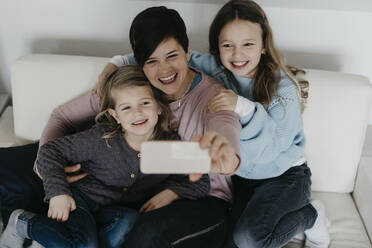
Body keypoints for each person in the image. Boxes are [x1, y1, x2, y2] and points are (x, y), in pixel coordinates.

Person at [1, 5, 241, 248]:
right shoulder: (130, 88)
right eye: (152, 61)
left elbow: (225, 127)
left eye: (172, 56)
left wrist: (227, 154)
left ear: (188, 51)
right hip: (101, 173)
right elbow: (62, 118)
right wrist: (46, 171)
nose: (165, 70)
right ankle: (35, 228)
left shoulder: (207, 101)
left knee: (136, 227)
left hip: (198, 195)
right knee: (14, 168)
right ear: (140, 63)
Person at [98, 1, 330, 248]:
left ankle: (311, 216)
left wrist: (242, 107)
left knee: (248, 240)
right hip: (243, 178)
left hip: (284, 175)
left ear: (264, 45)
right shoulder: (216, 68)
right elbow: (160, 53)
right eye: (227, 45)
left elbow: (270, 151)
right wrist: (117, 62)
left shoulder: (283, 89)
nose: (238, 55)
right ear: (217, 48)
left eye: (248, 44)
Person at [0, 65, 211, 248]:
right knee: (85, 245)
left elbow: (201, 178)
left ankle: (52, 241)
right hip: (80, 201)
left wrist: (172, 192)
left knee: (129, 222)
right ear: (115, 116)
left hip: (115, 212)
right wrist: (58, 193)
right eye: (126, 108)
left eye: (145, 103)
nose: (137, 113)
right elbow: (49, 151)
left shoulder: (170, 145)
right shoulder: (101, 139)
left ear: (158, 106)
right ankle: (22, 222)